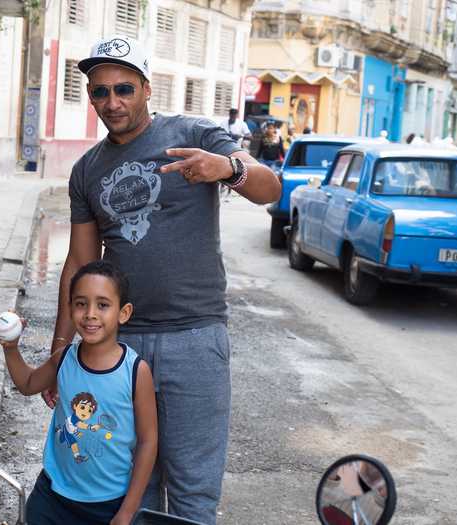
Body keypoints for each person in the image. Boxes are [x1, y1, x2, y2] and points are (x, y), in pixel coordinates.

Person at [44, 35, 281, 525]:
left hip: (195, 338)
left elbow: (269, 188)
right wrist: (60, 349)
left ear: (147, 89)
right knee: (133, 486)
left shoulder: (196, 133)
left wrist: (227, 168)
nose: (112, 102)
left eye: (124, 88)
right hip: (119, 349)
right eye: (99, 92)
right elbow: (80, 265)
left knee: (194, 492)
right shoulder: (86, 170)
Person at [0, 260, 158, 525]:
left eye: (103, 305)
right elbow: (27, 383)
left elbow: (148, 441)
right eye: (81, 303)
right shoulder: (63, 360)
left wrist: (127, 511)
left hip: (107, 504)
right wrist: (11, 347)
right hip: (53, 494)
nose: (90, 314)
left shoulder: (135, 372)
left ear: (124, 312)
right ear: (70, 308)